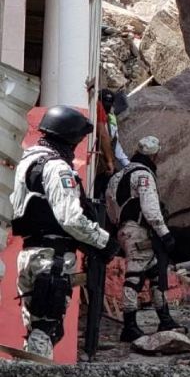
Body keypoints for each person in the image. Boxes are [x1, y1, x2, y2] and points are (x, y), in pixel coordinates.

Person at [8, 106, 119, 359]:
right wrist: (104, 242)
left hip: (31, 254)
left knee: (37, 326)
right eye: (78, 139)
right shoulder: (57, 167)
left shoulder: (26, 162)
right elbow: (71, 218)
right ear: (67, 137)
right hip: (52, 258)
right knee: (46, 329)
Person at [106, 136, 180, 341]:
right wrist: (164, 233)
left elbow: (110, 209)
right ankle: (129, 326)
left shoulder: (119, 176)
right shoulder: (143, 175)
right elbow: (150, 207)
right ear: (154, 154)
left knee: (156, 273)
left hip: (123, 230)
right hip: (139, 231)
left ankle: (165, 319)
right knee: (135, 276)